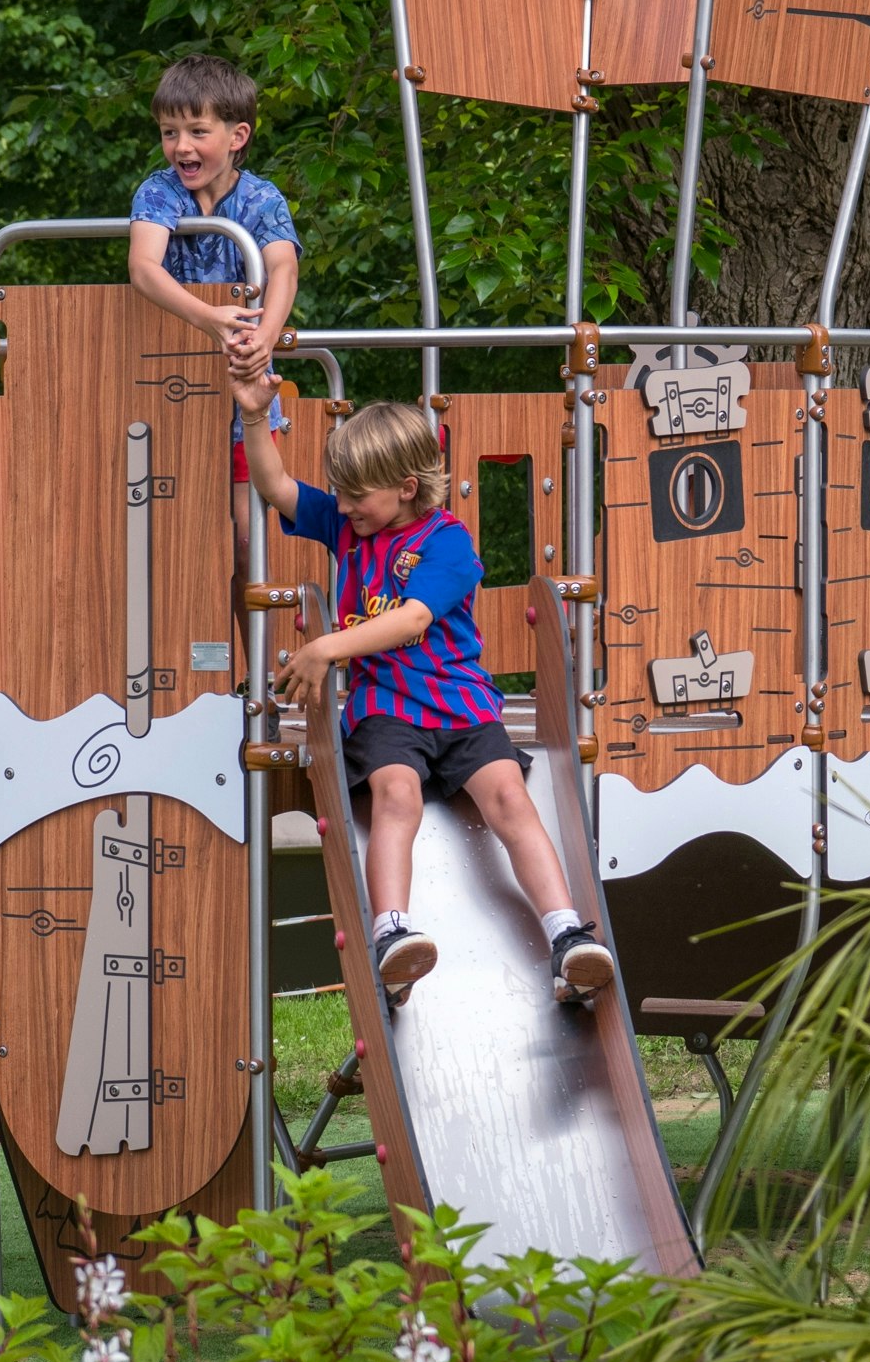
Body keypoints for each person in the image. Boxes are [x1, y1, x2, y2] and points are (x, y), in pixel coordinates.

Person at [222, 374, 616, 1007]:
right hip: (387, 711)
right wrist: (254, 417)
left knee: (510, 799)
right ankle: (392, 936)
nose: (344, 506)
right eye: (341, 495)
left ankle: (565, 935)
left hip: (461, 705)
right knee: (395, 795)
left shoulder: (448, 542)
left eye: (357, 495)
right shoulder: (349, 529)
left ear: (407, 488)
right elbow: (274, 487)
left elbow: (412, 618)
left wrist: (325, 646)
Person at [127, 53, 298, 478]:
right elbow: (144, 267)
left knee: (244, 526)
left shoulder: (262, 199)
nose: (181, 146)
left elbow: (283, 268)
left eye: (197, 131)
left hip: (243, 372)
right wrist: (208, 318)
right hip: (168, 377)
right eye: (170, 132)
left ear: (237, 136)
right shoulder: (158, 193)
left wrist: (265, 340)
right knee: (174, 510)